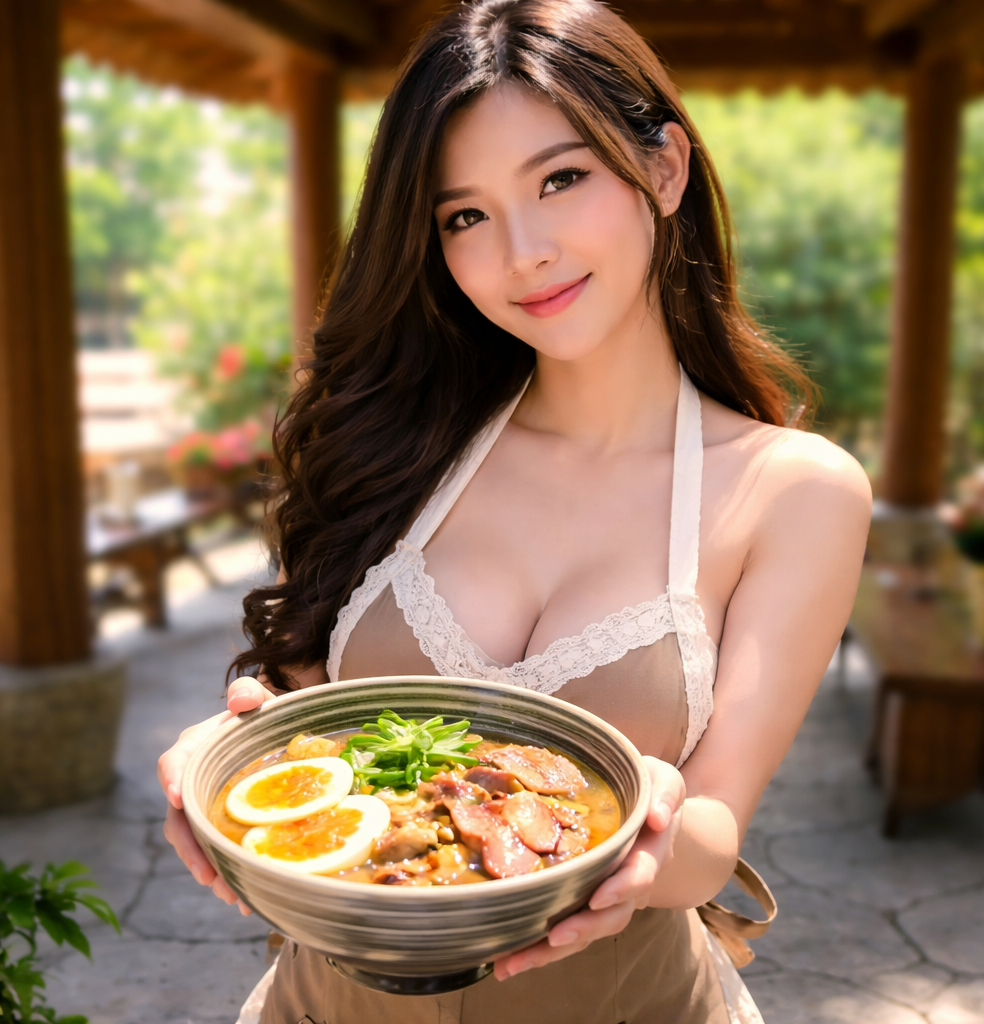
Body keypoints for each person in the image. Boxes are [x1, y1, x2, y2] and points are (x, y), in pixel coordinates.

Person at [158, 1, 871, 1021]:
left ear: (662, 169)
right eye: (464, 215)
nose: (521, 250)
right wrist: (219, 756)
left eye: (560, 179)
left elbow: (714, 820)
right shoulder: (398, 437)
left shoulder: (792, 489)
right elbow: (303, 721)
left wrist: (653, 836)